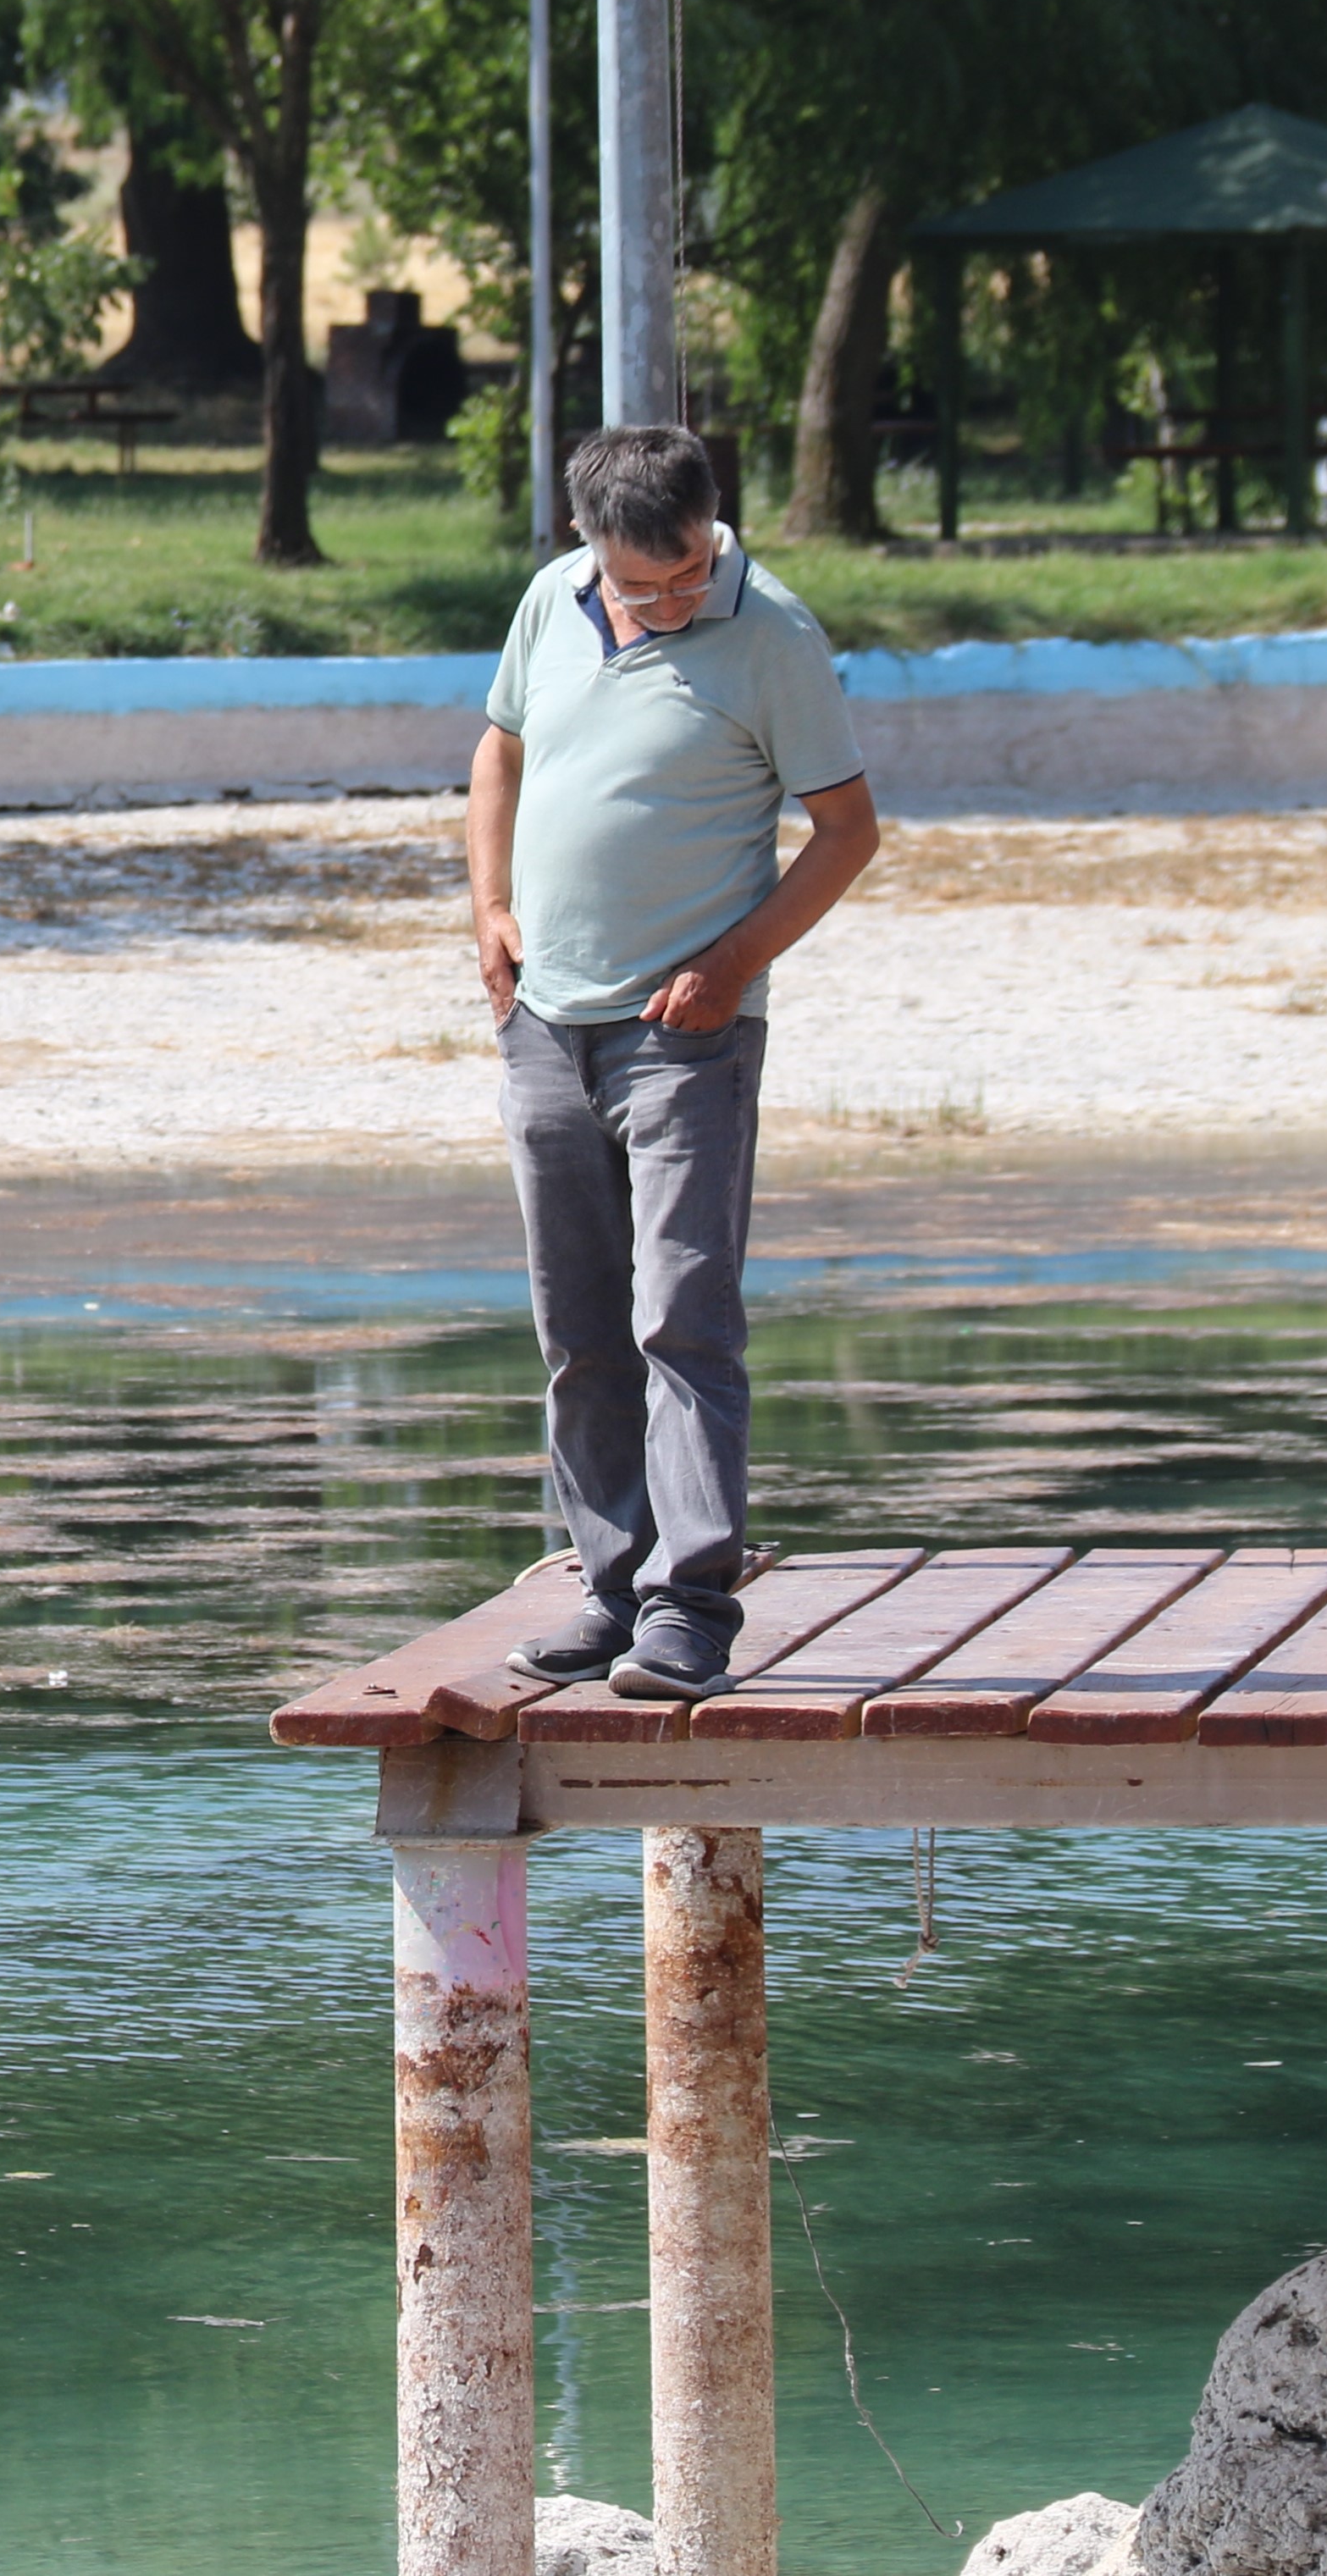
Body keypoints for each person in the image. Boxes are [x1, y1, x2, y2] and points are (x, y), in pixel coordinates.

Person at [467, 426, 882, 1700]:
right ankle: (607, 1584)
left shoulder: (777, 637)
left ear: (715, 527)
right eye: (641, 584)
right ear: (588, 547)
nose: (670, 600)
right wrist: (489, 913)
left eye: (690, 569)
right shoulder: (551, 601)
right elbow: (500, 752)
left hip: (686, 1036)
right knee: (579, 1329)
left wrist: (732, 964)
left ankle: (689, 1611)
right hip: (547, 1025)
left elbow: (848, 833)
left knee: (680, 1319)